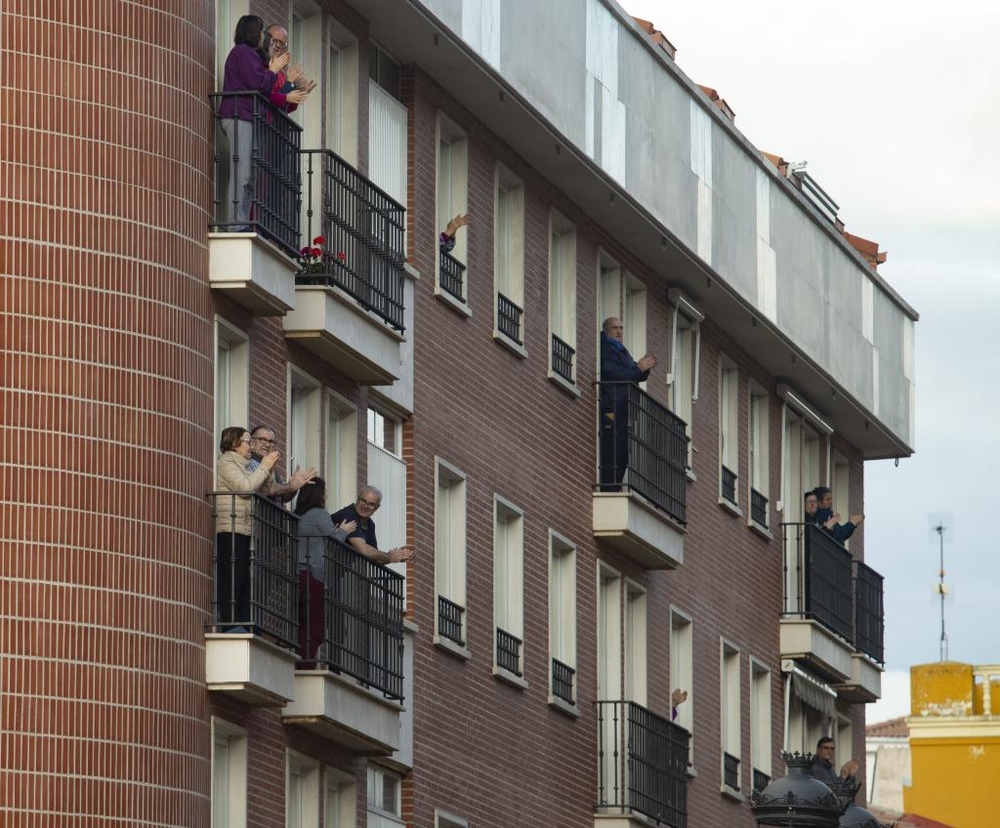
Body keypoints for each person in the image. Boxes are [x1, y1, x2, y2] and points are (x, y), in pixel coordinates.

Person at [218, 15, 290, 230]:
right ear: (252, 32)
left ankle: (242, 220)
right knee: (243, 171)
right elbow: (258, 83)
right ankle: (236, 222)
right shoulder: (242, 52)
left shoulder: (251, 55)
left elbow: (265, 87)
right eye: (262, 33)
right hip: (239, 115)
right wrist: (273, 70)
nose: (263, 38)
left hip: (249, 116)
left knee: (251, 174)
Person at [215, 426, 279, 630]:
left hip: (245, 527)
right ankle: (229, 622)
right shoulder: (226, 461)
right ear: (234, 443)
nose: (250, 445)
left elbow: (267, 489)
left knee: (243, 577)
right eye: (246, 441)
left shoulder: (249, 464)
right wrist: (263, 467)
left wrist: (269, 467)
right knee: (231, 574)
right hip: (230, 526)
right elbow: (244, 487)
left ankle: (242, 621)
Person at [293, 478, 356, 662]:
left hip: (296, 572)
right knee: (316, 626)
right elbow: (333, 540)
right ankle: (305, 662)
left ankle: (299, 657)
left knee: (300, 621)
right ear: (319, 494)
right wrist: (344, 530)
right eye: (325, 491)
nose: (326, 495)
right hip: (312, 575)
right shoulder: (319, 513)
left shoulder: (297, 514)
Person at [599, 317, 658, 490]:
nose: (619, 331)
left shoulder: (620, 349)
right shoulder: (606, 347)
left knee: (623, 451)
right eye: (615, 328)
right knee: (613, 449)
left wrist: (644, 368)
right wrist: (638, 368)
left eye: (621, 328)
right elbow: (612, 371)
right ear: (606, 330)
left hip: (624, 407)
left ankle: (614, 486)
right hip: (613, 405)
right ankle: (609, 488)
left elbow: (631, 372)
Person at [331, 486, 416, 564]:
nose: (366, 506)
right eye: (363, 501)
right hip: (324, 566)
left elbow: (374, 557)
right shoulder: (349, 515)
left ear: (377, 507)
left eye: (371, 504)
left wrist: (396, 557)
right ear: (357, 499)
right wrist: (390, 557)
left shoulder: (370, 524)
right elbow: (364, 549)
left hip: (339, 572)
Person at [247, 425, 318, 503]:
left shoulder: (272, 467)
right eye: (262, 440)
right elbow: (269, 488)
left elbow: (284, 497)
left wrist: (296, 486)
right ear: (251, 441)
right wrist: (290, 486)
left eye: (271, 442)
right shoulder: (248, 462)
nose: (267, 445)